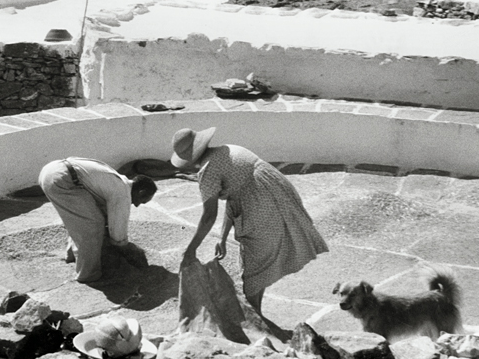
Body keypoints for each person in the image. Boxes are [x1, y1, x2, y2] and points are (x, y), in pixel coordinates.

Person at [173, 127, 328, 316]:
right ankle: (256, 311)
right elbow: (234, 197)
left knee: (254, 267)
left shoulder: (208, 171)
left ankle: (255, 317)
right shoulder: (227, 149)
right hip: (276, 190)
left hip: (261, 204)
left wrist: (191, 249)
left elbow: (209, 215)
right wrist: (222, 238)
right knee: (258, 260)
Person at [39, 157, 157, 283]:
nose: (138, 205)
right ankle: (88, 275)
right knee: (92, 226)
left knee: (82, 218)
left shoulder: (118, 181)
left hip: (51, 172)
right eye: (142, 201)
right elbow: (118, 233)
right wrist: (128, 250)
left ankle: (72, 255)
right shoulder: (122, 193)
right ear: (141, 191)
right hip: (63, 180)